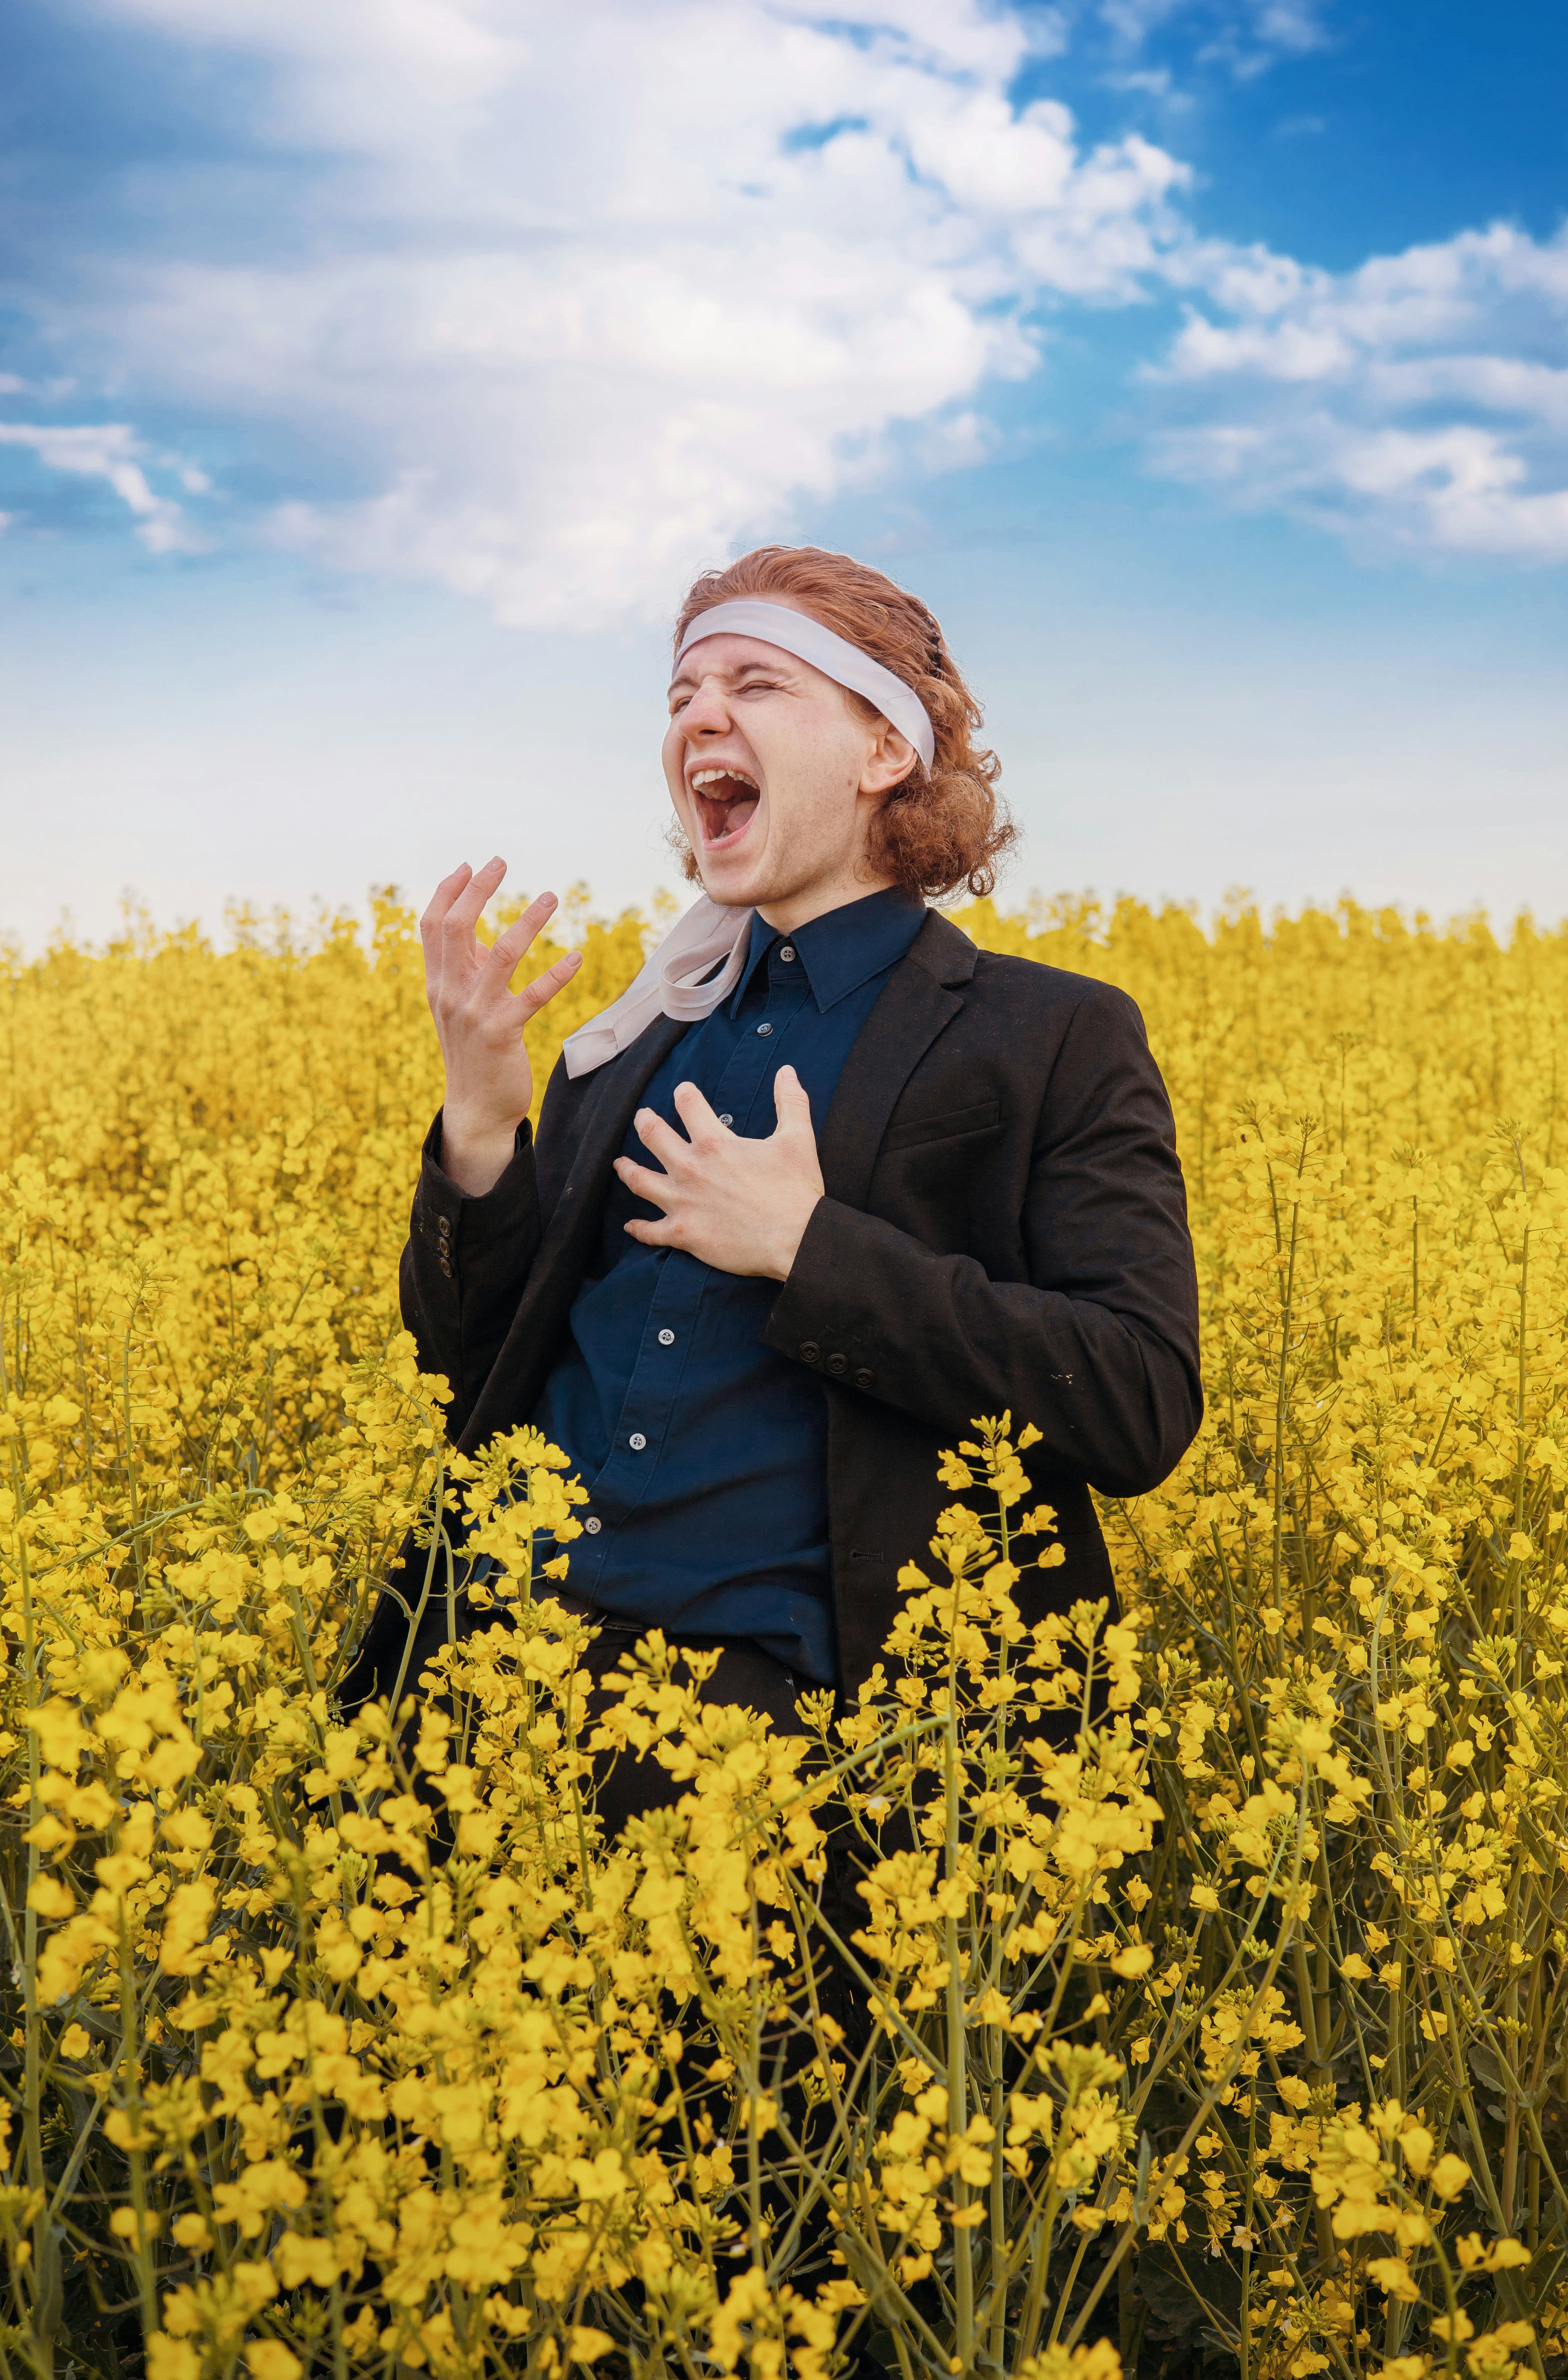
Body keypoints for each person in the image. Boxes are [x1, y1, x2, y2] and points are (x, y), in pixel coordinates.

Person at [344, 545, 1201, 1819]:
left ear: (884, 754)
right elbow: (472, 1364)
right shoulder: (630, 1038)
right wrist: (479, 1123)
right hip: (486, 1673)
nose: (701, 713)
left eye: (757, 682)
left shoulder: (1045, 1037)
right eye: (683, 691)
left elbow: (1137, 1401)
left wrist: (813, 1251)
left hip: (785, 1741)